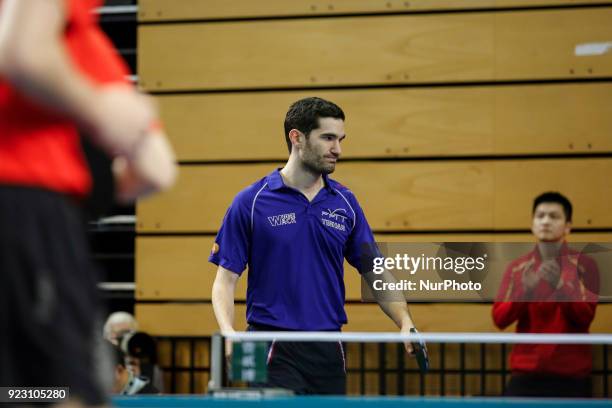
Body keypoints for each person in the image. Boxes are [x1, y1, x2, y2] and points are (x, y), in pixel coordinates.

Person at [0, 0, 177, 406]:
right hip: (29, 215)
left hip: (33, 218)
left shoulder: (84, 44)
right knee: (68, 394)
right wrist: (102, 109)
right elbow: (23, 51)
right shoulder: (82, 47)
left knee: (22, 392)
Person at [210, 97, 417, 394]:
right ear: (297, 138)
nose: (338, 149)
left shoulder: (345, 203)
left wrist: (404, 320)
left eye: (340, 139)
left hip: (329, 346)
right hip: (270, 344)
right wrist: (228, 332)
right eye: (328, 138)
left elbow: (376, 272)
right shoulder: (251, 202)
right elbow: (224, 281)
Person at [492, 192, 599, 398]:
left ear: (568, 226)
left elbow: (586, 317)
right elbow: (499, 319)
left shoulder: (585, 265)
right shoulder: (517, 268)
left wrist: (560, 286)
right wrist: (525, 292)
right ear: (532, 224)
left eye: (554, 216)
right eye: (540, 216)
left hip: (572, 376)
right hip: (525, 375)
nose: (546, 221)